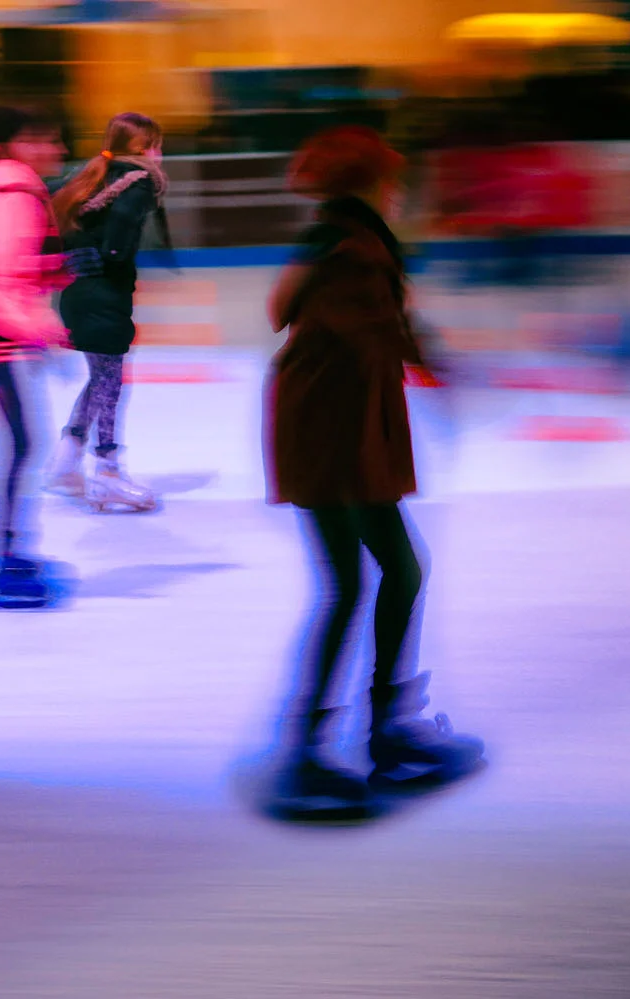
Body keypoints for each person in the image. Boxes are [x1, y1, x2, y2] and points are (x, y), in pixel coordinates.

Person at [265, 125, 484, 818]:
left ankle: (371, 731)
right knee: (369, 577)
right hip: (335, 436)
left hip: (335, 430)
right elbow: (377, 328)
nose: (398, 187)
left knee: (379, 575)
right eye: (389, 176)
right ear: (367, 183)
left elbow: (377, 321)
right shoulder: (353, 249)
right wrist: (439, 366)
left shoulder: (344, 240)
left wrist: (431, 363)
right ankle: (319, 748)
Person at [0, 106, 73, 608]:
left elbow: (16, 266)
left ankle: (7, 552)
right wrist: (39, 330)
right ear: (11, 144)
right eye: (41, 140)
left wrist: (57, 266)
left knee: (21, 445)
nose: (55, 151)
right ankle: (2, 559)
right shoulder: (6, 187)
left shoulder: (4, 183)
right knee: (22, 445)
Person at [48, 111, 170, 512]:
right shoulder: (137, 183)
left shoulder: (97, 177)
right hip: (102, 297)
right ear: (143, 147)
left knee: (101, 378)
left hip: (79, 295)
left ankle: (66, 460)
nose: (160, 153)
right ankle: (108, 472)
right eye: (157, 144)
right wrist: (114, 263)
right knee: (112, 384)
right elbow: (117, 242)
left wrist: (85, 262)